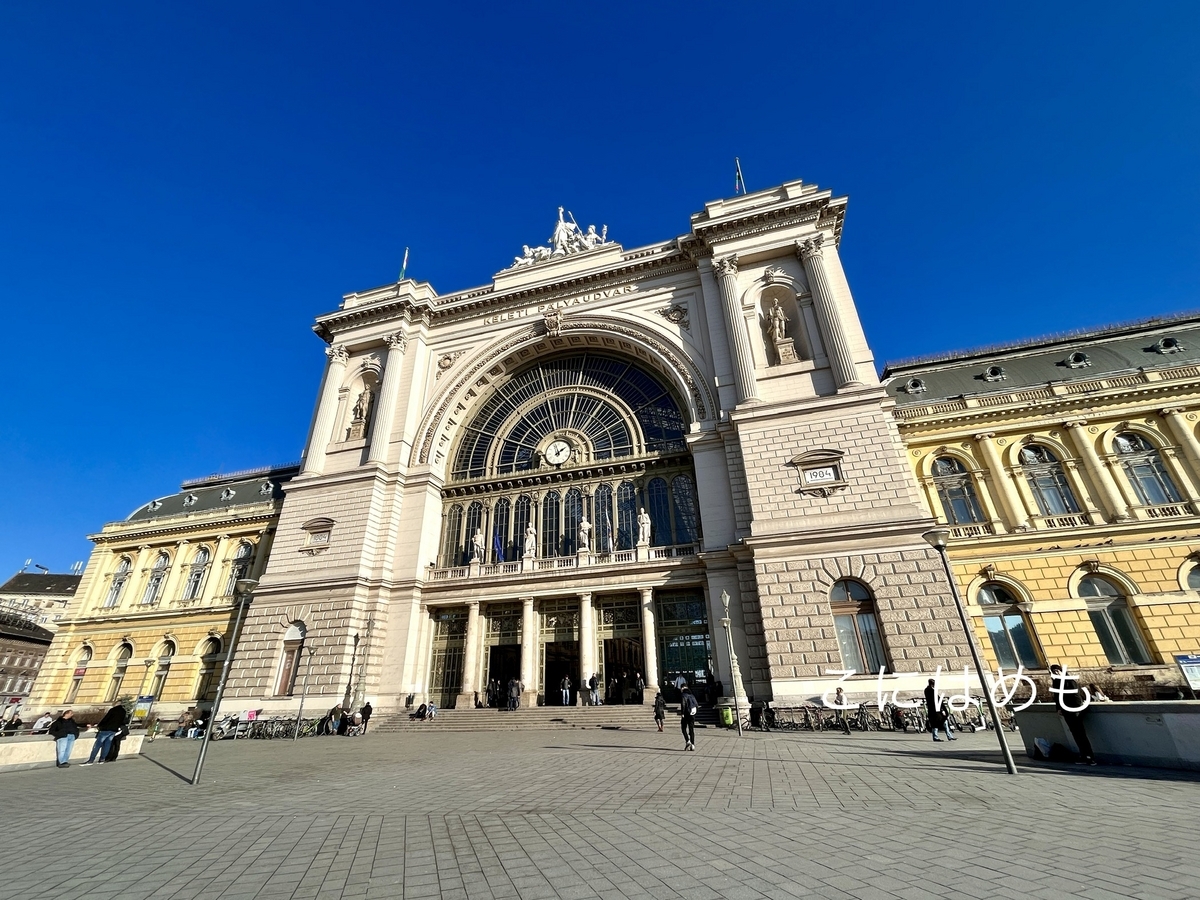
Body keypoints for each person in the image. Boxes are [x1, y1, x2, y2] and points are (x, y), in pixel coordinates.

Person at [1051, 664, 1096, 764]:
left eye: (1057, 671)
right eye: (1054, 672)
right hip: (1067, 711)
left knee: (1080, 733)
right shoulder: (1057, 683)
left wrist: (1076, 709)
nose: (1056, 673)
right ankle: (1084, 755)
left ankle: (1089, 756)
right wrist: (1059, 708)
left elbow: (1076, 696)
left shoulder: (1069, 681)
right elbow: (1057, 697)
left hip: (1074, 710)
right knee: (1076, 733)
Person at [680, 683, 698, 751]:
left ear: (683, 688)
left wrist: (682, 713)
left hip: (686, 714)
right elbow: (696, 704)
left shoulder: (683, 695)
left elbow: (683, 704)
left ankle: (688, 741)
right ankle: (693, 745)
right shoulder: (692, 695)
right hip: (692, 714)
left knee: (683, 728)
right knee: (691, 729)